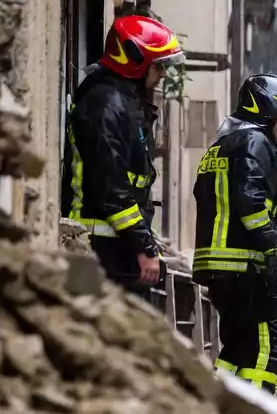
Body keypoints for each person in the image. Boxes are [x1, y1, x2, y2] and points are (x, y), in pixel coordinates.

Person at [191, 73, 277, 392]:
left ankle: (219, 402)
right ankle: (255, 413)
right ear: (266, 112)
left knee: (238, 349)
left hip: (219, 266)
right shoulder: (254, 142)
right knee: (270, 347)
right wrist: (271, 250)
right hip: (245, 266)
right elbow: (252, 204)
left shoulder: (221, 146)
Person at [63, 15, 185, 301]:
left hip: (117, 246)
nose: (163, 74)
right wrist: (144, 247)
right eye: (159, 66)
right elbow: (112, 189)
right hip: (102, 249)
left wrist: (145, 241)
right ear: (136, 62)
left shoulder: (121, 101)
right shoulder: (105, 104)